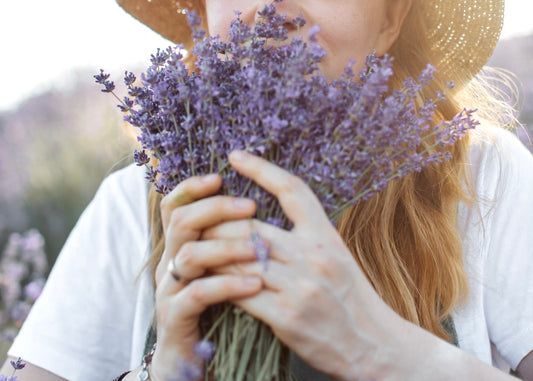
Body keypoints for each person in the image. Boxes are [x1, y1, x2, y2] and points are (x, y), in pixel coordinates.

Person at [2, 0, 533, 380]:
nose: (274, 7)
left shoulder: (480, 176)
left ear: (390, 19)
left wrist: (387, 351)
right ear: (202, 17)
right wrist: (163, 372)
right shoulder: (131, 205)